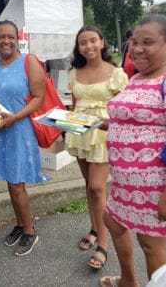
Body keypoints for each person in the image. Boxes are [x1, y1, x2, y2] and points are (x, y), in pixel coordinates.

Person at [99, 15, 166, 287]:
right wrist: (105, 123)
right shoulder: (137, 79)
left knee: (150, 246)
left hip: (154, 188)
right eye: (134, 42)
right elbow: (139, 120)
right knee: (112, 221)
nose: (137, 48)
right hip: (124, 185)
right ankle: (128, 281)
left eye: (147, 42)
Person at [67, 26, 128, 270]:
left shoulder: (117, 73)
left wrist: (103, 119)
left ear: (102, 42)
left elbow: (125, 112)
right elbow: (74, 105)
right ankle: (94, 227)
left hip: (103, 133)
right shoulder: (75, 72)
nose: (88, 46)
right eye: (83, 42)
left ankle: (103, 244)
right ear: (78, 47)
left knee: (96, 187)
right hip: (80, 132)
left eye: (93, 40)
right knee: (88, 186)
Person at [0, 20, 45, 256]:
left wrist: (14, 117)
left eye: (10, 36)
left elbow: (38, 97)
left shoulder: (28, 61)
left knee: (17, 183)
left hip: (19, 130)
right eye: (1, 36)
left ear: (17, 38)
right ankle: (20, 225)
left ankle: (30, 231)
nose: (6, 41)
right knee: (10, 182)